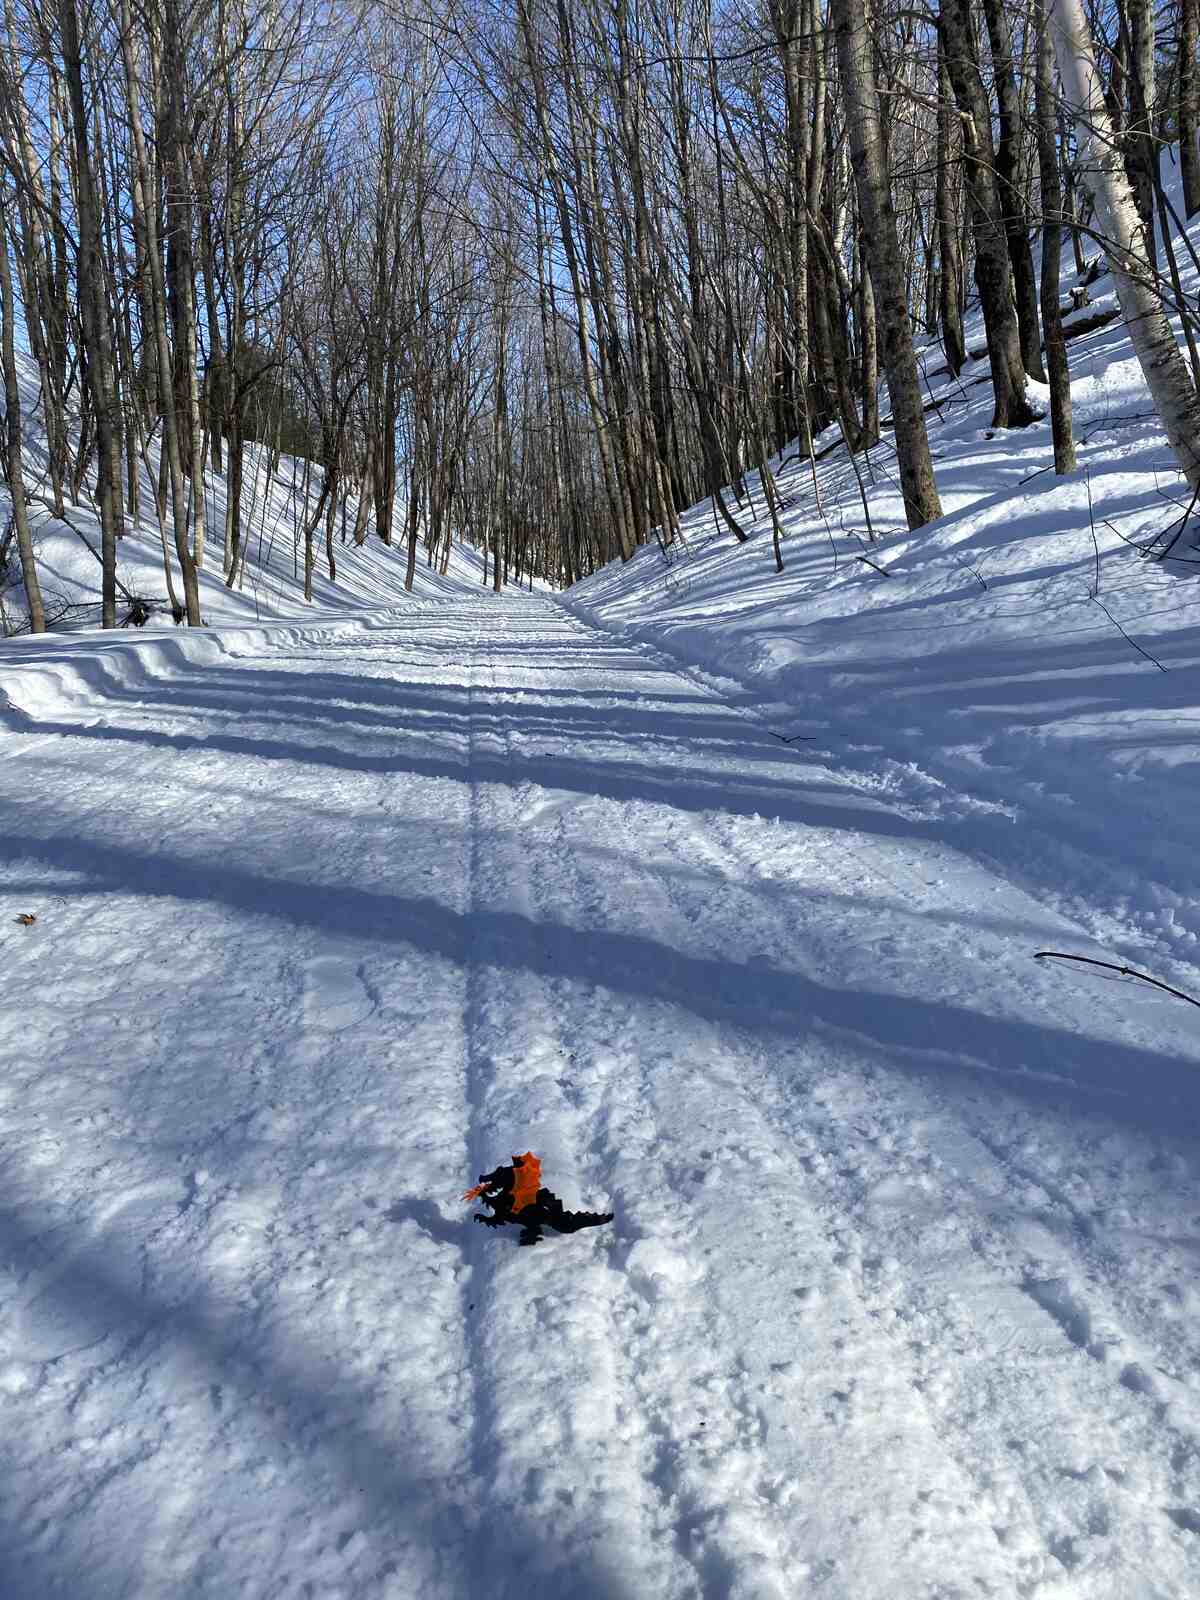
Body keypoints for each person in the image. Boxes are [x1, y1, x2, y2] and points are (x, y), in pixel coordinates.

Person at [463, 1152, 613, 1246]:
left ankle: (533, 1234)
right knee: (518, 1211)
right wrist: (483, 1199)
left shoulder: (510, 1195)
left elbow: (500, 1211)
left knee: (533, 1218)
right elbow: (499, 1213)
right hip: (526, 1203)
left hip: (536, 1211)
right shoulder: (506, 1197)